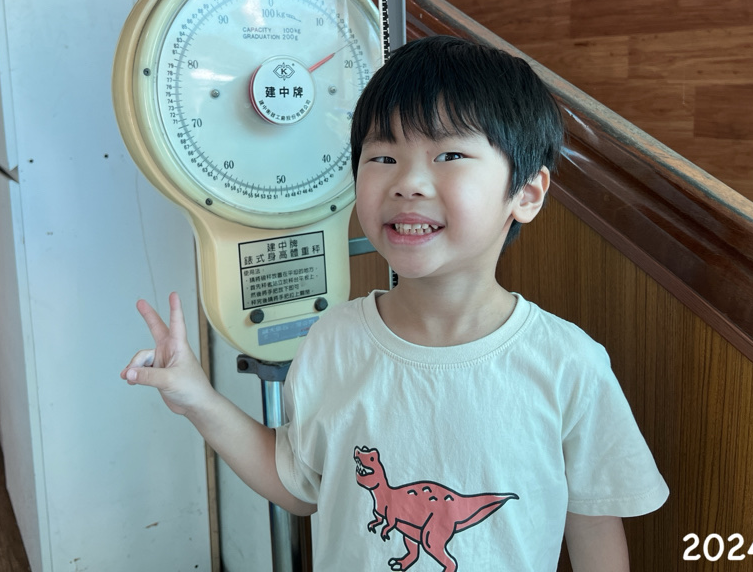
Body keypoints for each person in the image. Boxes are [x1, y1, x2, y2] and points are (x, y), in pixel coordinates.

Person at [121, 35, 668, 571]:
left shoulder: (570, 364)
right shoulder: (332, 340)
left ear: (525, 193)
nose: (408, 182)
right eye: (383, 156)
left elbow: (594, 527)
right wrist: (198, 398)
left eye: (449, 154)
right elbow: (298, 485)